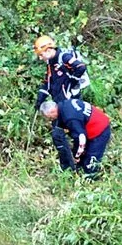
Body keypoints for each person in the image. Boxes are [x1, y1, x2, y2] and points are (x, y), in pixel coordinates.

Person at [32, 35, 90, 171]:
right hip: (59, 105)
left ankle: (83, 164)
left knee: (77, 134)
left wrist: (72, 82)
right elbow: (48, 82)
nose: (40, 58)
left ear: (48, 50)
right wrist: (40, 99)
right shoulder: (50, 63)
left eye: (41, 55)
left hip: (71, 104)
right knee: (58, 135)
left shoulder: (63, 57)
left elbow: (81, 67)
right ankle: (68, 168)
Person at [39, 99, 111, 176]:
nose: (51, 120)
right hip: (94, 123)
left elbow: (81, 138)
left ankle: (92, 181)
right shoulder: (64, 104)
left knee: (90, 164)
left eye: (50, 118)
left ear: (52, 111)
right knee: (82, 161)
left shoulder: (70, 118)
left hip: (99, 130)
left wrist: (76, 156)